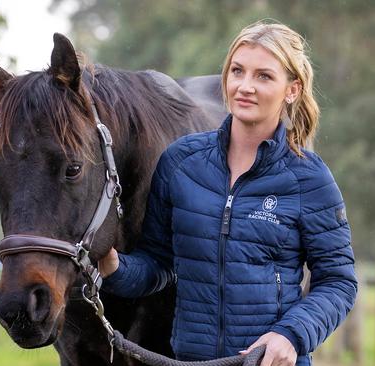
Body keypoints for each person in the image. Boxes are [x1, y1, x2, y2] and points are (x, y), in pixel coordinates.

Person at [99, 20, 357, 366]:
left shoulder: (309, 178)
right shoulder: (180, 162)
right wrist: (116, 267)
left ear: (292, 90)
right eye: (238, 71)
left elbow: (338, 281)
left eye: (263, 76)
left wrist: (291, 335)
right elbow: (158, 265)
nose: (245, 86)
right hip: (188, 360)